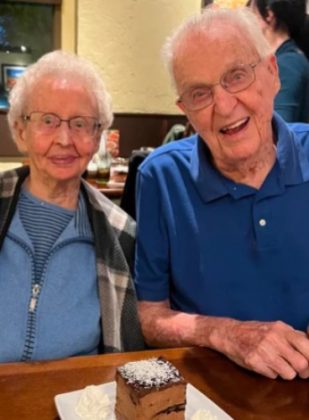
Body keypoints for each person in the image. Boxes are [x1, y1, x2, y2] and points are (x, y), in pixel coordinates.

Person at [134, 7, 309, 380]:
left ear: (272, 74)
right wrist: (226, 334)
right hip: (204, 393)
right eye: (200, 94)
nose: (224, 106)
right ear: (186, 112)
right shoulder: (160, 177)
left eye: (237, 76)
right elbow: (150, 317)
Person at [0, 50, 144, 363]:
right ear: (20, 130)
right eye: (47, 120)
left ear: (97, 137)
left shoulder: (121, 235)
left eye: (81, 124)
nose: (65, 139)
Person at [249, 0, 309, 122]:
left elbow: (278, 128)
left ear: (268, 15)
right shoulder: (285, 59)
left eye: (252, 14)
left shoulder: (289, 64)